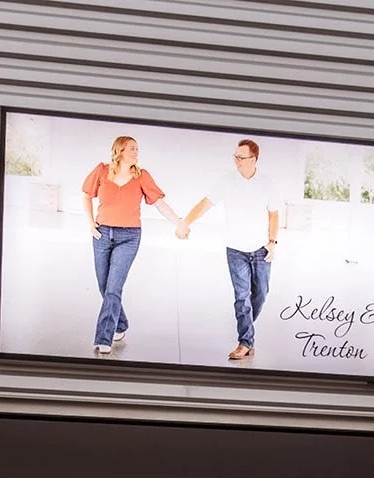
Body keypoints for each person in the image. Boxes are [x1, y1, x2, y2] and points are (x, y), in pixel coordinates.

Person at [176, 138, 281, 361]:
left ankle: (247, 329)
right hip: (235, 250)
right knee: (242, 297)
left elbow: (274, 214)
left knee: (261, 294)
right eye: (235, 156)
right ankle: (245, 341)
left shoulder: (267, 183)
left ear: (253, 159)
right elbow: (205, 204)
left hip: (261, 249)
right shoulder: (226, 180)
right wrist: (186, 222)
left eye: (241, 157)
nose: (236, 161)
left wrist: (273, 242)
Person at [82, 135, 182, 355]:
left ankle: (104, 338)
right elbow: (86, 195)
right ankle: (121, 324)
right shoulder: (102, 170)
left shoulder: (141, 176)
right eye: (132, 148)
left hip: (129, 237)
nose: (136, 152)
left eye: (137, 148)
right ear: (119, 151)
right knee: (104, 286)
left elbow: (160, 204)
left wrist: (179, 222)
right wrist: (90, 223)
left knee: (113, 288)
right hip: (101, 234)